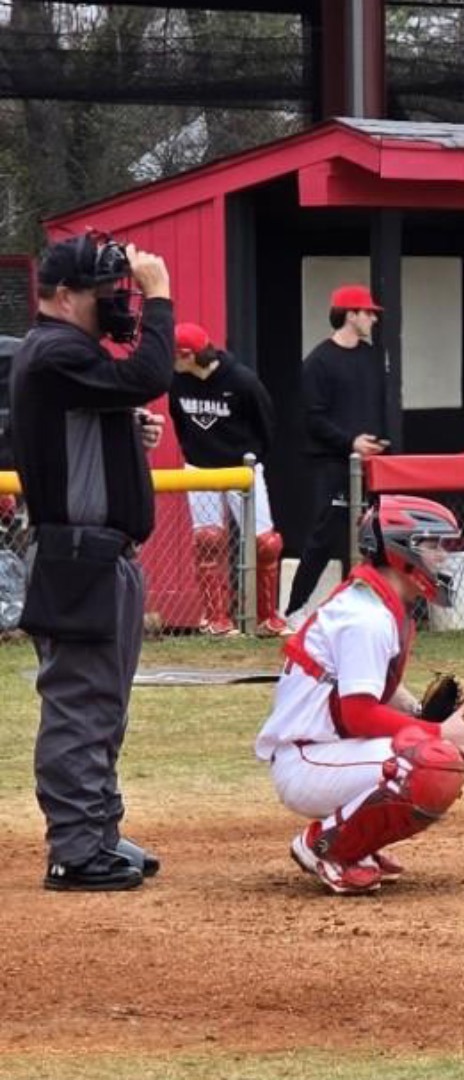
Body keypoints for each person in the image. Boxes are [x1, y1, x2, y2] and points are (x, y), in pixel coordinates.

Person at [10, 231, 172, 891]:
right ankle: (75, 850)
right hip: (80, 557)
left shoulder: (71, 354)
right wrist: (160, 297)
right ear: (66, 295)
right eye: (105, 293)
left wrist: (127, 432)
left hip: (103, 557)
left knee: (104, 703)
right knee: (80, 702)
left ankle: (99, 833)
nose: (117, 303)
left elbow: (101, 413)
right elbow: (149, 373)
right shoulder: (52, 350)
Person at [255, 496, 464, 895]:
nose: (442, 558)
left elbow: (377, 686)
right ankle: (324, 846)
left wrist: (421, 716)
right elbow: (360, 714)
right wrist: (437, 733)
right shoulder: (367, 617)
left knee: (435, 755)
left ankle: (356, 844)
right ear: (402, 551)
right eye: (433, 546)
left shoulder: (376, 601)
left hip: (327, 752)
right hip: (308, 758)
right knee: (429, 762)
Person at [167, 322, 291, 636]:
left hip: (242, 466)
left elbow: (266, 422)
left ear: (188, 355)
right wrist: (195, 452)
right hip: (200, 468)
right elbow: (179, 421)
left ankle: (266, 617)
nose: (171, 361)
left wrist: (251, 457)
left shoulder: (242, 381)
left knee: (266, 543)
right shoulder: (177, 381)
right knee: (208, 540)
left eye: (175, 356)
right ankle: (216, 619)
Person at [286, 284, 387, 617]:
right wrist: (350, 442)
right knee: (324, 536)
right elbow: (313, 419)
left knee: (376, 535)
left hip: (372, 462)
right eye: (367, 312)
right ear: (350, 314)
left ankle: (372, 605)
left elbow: (378, 404)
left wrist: (379, 442)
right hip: (332, 463)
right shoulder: (319, 361)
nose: (373, 318)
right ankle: (295, 608)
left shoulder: (371, 356)